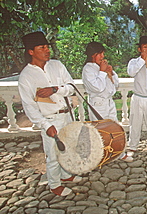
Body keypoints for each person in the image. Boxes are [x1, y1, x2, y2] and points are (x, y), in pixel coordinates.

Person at [18, 31, 82, 196]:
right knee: (53, 154)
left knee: (67, 148)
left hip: (66, 114)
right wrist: (45, 125)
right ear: (31, 52)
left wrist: (55, 89)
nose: (47, 50)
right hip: (50, 118)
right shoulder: (26, 76)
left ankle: (66, 175)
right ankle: (54, 184)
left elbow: (71, 87)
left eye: (47, 46)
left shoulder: (57, 65)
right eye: (42, 47)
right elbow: (29, 105)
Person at [82, 41, 133, 162]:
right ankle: (101, 157)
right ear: (93, 55)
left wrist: (111, 72)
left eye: (102, 53)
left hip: (109, 102)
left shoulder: (101, 68)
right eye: (100, 54)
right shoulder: (88, 69)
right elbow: (97, 87)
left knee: (114, 128)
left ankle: (118, 153)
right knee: (100, 131)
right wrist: (102, 72)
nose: (103, 57)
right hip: (98, 104)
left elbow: (114, 86)